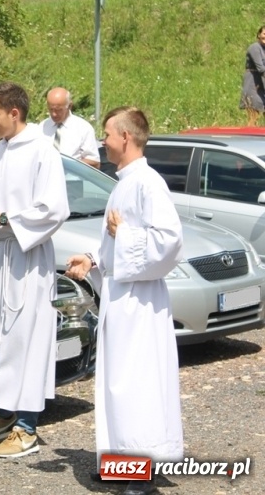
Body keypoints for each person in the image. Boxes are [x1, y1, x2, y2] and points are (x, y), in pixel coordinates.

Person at [65, 107, 183, 495]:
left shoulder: (149, 183)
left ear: (126, 138)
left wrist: (126, 233)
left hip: (141, 301)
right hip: (122, 296)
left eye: (108, 134)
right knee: (118, 381)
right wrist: (95, 259)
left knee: (137, 381)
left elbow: (169, 243)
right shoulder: (123, 182)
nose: (103, 141)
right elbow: (118, 245)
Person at [0, 82, 70, 459]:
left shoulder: (42, 151)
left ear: (14, 113)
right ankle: (0, 416)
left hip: (26, 261)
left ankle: (27, 427)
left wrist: (4, 218)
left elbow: (53, 209)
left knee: (27, 342)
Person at [40, 87, 101, 168]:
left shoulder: (83, 128)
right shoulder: (42, 127)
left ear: (69, 106)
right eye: (51, 109)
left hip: (72, 179)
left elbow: (94, 162)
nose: (54, 114)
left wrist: (68, 166)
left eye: (58, 110)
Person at [239, 25, 265, 126]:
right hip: (253, 84)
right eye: (264, 34)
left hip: (262, 84)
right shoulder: (255, 48)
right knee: (254, 115)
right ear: (259, 35)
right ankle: (249, 137)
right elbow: (261, 68)